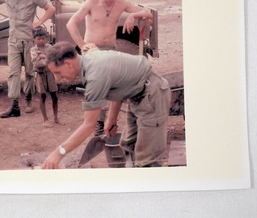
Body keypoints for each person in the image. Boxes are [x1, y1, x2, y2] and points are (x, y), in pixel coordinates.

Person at [41, 42, 170, 169]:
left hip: (151, 94)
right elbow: (116, 84)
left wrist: (59, 153)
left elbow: (89, 125)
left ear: (68, 63)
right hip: (136, 93)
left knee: (147, 160)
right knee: (129, 144)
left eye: (57, 72)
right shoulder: (88, 58)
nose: (57, 78)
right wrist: (111, 119)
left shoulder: (95, 77)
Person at [66, 0, 153, 135]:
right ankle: (97, 124)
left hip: (110, 50)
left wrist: (133, 15)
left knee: (116, 88)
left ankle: (110, 123)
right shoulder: (92, 2)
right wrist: (82, 44)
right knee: (97, 88)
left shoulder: (121, 3)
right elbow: (71, 23)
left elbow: (147, 13)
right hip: (93, 51)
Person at [30, 27, 60, 128]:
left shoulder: (49, 47)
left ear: (46, 38)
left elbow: (54, 58)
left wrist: (43, 57)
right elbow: (37, 64)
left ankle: (56, 117)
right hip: (40, 75)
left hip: (50, 73)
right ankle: (45, 119)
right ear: (34, 39)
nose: (41, 40)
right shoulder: (33, 50)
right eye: (38, 39)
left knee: (54, 96)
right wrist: (46, 58)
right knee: (42, 96)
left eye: (43, 38)